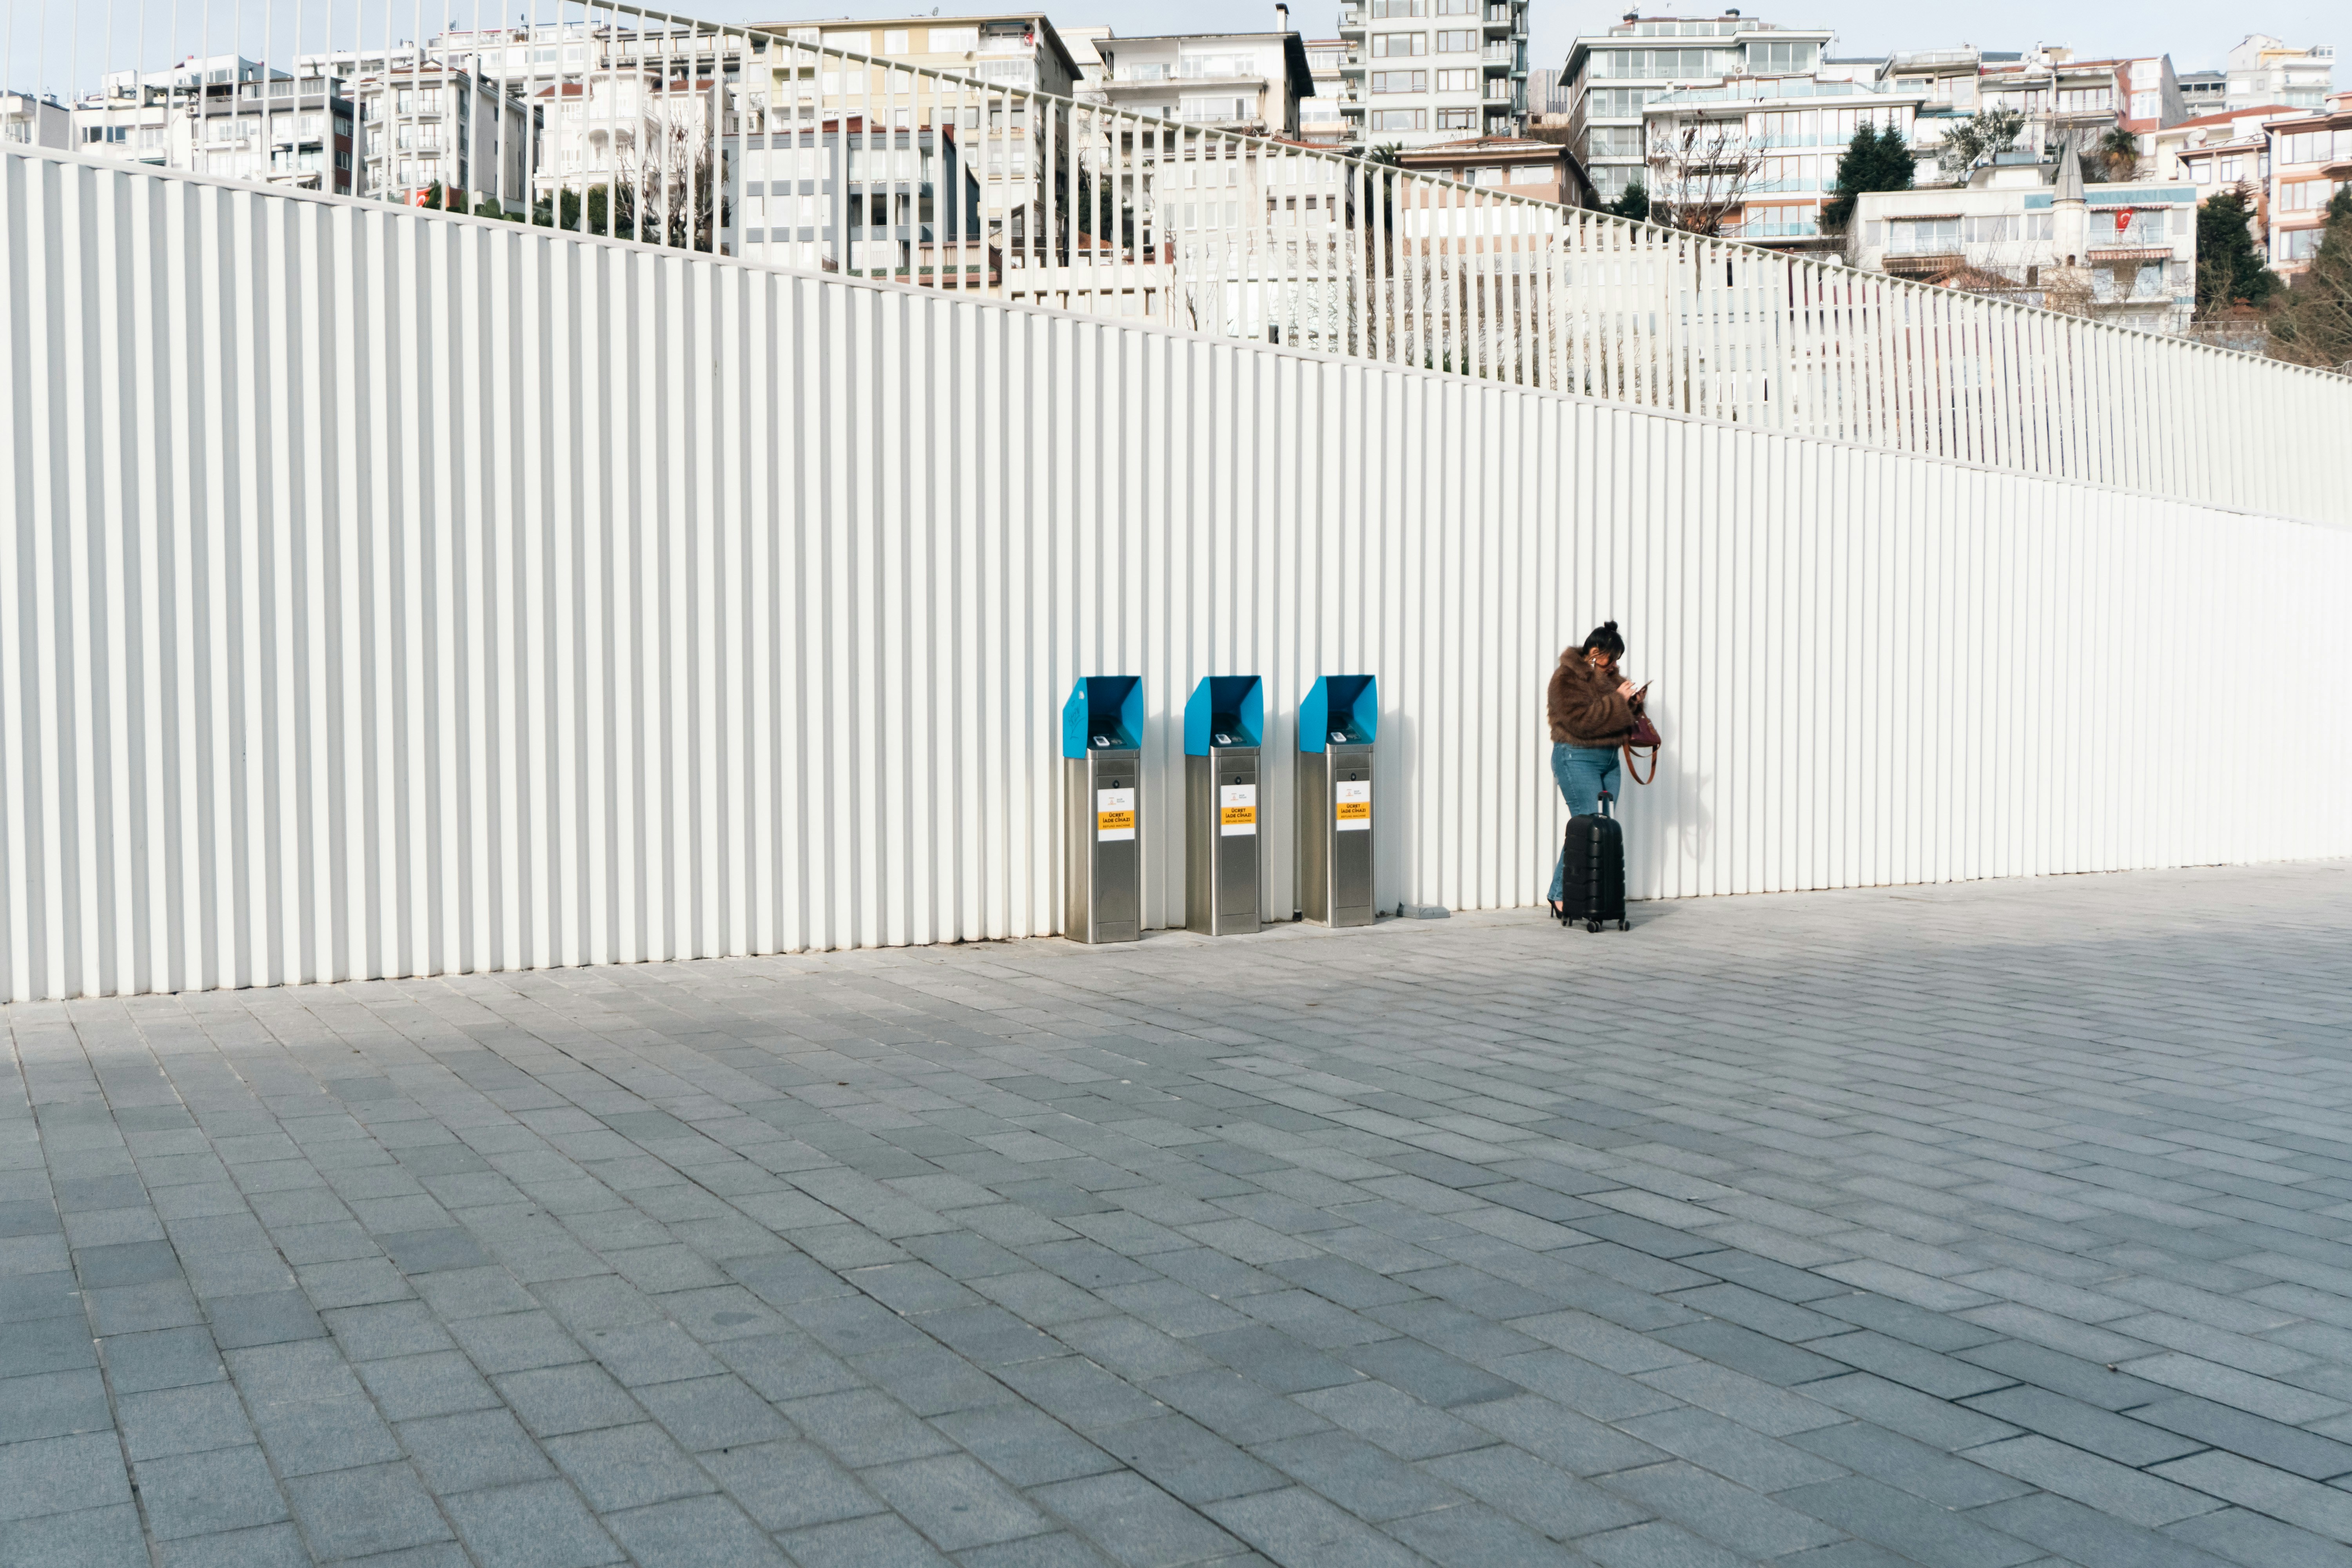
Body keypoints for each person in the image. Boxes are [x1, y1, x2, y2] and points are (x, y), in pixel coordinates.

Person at [1546, 621, 1640, 917]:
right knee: (1587, 826)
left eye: (1618, 660)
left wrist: (1635, 705)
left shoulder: (1611, 678)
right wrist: (1618, 701)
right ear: (1594, 653)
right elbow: (1580, 722)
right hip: (1577, 756)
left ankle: (1588, 895)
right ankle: (1560, 895)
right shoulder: (1566, 678)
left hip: (1609, 759)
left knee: (1601, 829)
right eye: (1611, 659)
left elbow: (1618, 717)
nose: (1614, 666)